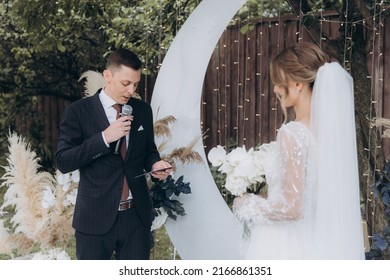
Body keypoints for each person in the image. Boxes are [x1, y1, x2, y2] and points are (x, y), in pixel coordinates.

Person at [233, 42, 365, 259]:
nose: (275, 89)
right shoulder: (333, 134)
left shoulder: (293, 133)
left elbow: (292, 208)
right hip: (318, 239)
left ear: (297, 84)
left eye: (278, 82)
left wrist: (249, 204)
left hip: (285, 245)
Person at [55, 48, 172, 260]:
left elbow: (148, 151)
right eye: (125, 83)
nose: (131, 90)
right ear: (107, 76)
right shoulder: (78, 112)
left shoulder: (142, 110)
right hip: (94, 218)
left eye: (135, 84)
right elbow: (64, 161)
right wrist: (104, 138)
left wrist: (155, 164)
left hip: (136, 217)